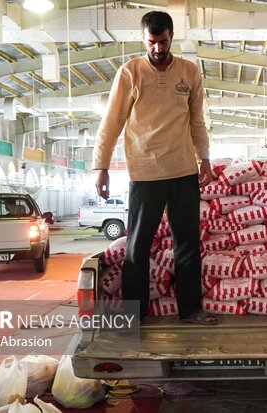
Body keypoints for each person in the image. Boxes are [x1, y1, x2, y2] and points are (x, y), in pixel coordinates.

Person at [92, 11, 216, 325]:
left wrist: (205, 159)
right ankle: (135, 314)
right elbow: (111, 123)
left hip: (183, 171)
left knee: (187, 243)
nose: (158, 48)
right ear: (144, 39)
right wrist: (101, 167)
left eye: (163, 42)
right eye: (152, 42)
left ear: (172, 38)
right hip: (144, 174)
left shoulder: (189, 72)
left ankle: (190, 309)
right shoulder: (129, 72)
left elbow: (197, 122)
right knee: (138, 246)